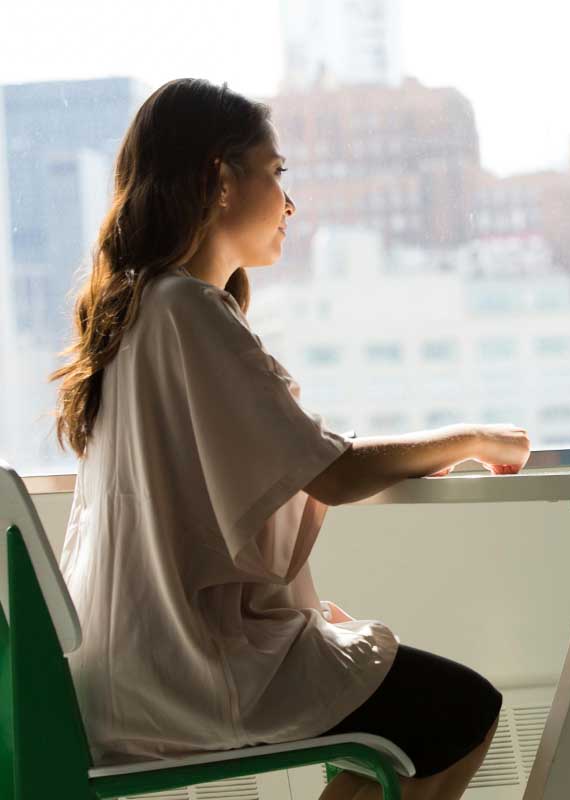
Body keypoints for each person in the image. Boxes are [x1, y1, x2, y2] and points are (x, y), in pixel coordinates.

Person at [51, 78, 531, 800]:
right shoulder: (185, 309)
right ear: (220, 180)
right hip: (183, 671)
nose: (290, 201)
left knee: (399, 724)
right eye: (276, 174)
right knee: (460, 710)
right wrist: (471, 437)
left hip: (124, 665)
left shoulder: (139, 311)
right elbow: (329, 472)